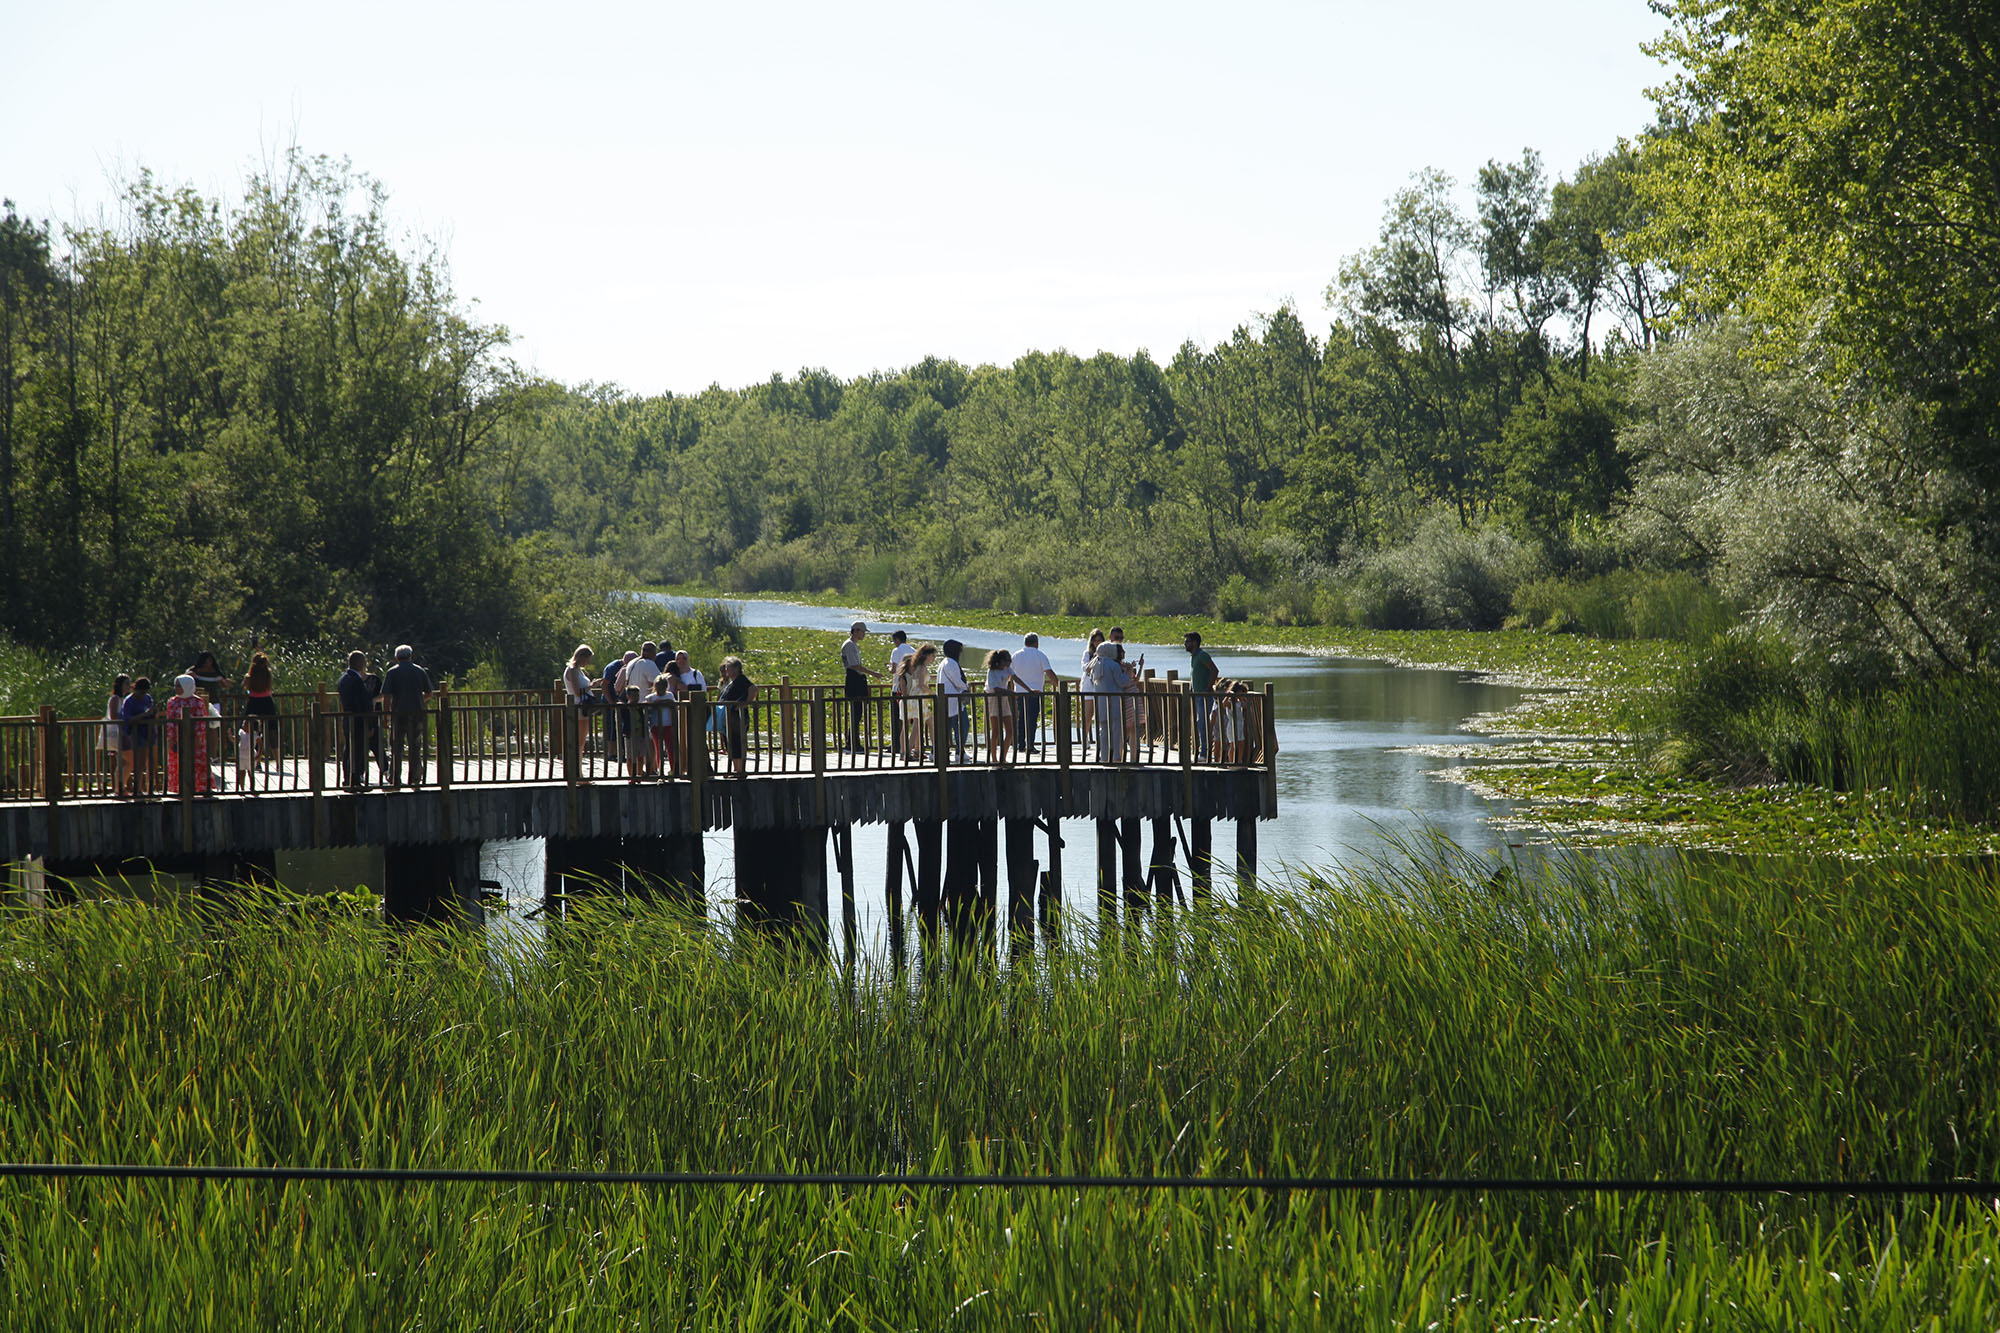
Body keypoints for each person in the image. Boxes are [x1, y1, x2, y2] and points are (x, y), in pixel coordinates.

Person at [381, 645, 432, 788]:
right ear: (411, 656)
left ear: (396, 657)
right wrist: (420, 700)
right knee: (415, 746)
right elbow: (429, 693)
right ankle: (415, 778)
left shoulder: (392, 673)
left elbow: (386, 696)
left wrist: (386, 717)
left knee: (396, 747)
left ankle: (395, 778)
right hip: (417, 714)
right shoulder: (419, 671)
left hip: (398, 714)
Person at [162, 675, 213, 795]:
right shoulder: (172, 701)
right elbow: (170, 721)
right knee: (178, 764)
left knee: (197, 765)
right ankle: (179, 789)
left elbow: (201, 721)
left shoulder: (197, 702)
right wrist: (171, 739)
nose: (176, 688)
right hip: (177, 740)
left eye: (179, 685)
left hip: (194, 740)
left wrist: (197, 738)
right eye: (176, 685)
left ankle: (201, 789)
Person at [840, 621, 885, 754]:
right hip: (853, 679)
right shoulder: (849, 645)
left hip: (856, 679)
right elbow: (855, 666)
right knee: (855, 713)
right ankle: (852, 745)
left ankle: (853, 743)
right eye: (862, 632)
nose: (864, 634)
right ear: (856, 631)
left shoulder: (853, 645)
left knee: (857, 713)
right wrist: (874, 673)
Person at [1009, 634, 1055, 755]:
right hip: (1035, 692)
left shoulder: (1016, 655)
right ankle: (1030, 745)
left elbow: (1010, 674)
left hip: (1019, 692)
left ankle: (1020, 745)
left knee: (1021, 719)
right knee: (1032, 719)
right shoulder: (1040, 655)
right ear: (1036, 643)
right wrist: (1059, 685)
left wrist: (1011, 689)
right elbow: (1049, 672)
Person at [1086, 642, 1129, 762]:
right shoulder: (1113, 665)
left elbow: (1090, 681)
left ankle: (1104, 757)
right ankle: (1116, 757)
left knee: (1103, 730)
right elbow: (1123, 682)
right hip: (1115, 702)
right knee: (1116, 729)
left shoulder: (1095, 665)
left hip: (1100, 702)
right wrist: (1128, 672)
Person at [336, 650, 373, 790]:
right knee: (357, 750)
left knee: (348, 750)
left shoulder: (343, 678)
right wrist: (370, 723)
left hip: (348, 719)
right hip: (358, 720)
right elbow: (363, 703)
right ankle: (355, 780)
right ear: (361, 663)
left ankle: (348, 779)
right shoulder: (357, 680)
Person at [894, 643, 936, 761]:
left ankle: (930, 749)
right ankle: (908, 752)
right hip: (919, 698)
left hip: (916, 697)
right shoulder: (922, 667)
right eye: (933, 655)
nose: (934, 658)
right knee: (917, 726)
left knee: (929, 723)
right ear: (927, 655)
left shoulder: (919, 666)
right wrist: (933, 693)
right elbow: (921, 684)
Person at [563, 645, 601, 769]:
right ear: (581, 657)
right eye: (587, 659)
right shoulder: (572, 670)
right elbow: (577, 691)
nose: (588, 662)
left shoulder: (578, 670)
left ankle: (578, 772)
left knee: (581, 742)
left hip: (581, 707)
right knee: (578, 742)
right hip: (578, 707)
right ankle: (576, 773)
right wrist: (592, 686)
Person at [241, 650, 278, 777]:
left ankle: (256, 761)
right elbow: (270, 687)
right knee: (272, 730)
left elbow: (244, 687)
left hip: (253, 702)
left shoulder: (249, 676)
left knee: (252, 731)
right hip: (267, 701)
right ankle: (278, 762)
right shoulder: (268, 673)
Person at [717, 655, 756, 775]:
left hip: (737, 717)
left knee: (737, 742)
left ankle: (740, 769)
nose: (726, 670)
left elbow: (753, 688)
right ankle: (735, 768)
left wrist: (746, 703)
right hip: (729, 716)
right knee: (731, 742)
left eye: (728, 668)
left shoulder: (742, 680)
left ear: (736, 669)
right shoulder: (730, 682)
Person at [1184, 631, 1219, 761]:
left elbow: (1214, 670)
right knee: (1201, 724)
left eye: (1187, 641)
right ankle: (1204, 752)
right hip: (1198, 696)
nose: (1185, 644)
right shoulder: (1194, 656)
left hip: (1205, 697)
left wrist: (1208, 688)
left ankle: (1205, 754)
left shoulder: (1202, 655)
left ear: (1195, 642)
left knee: (1204, 724)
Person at [120, 677, 156, 796]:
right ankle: (138, 789)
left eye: (145, 692)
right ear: (136, 689)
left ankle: (150, 788)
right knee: (139, 763)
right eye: (141, 692)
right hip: (136, 733)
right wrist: (143, 715)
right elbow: (127, 719)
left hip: (149, 732)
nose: (143, 695)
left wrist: (152, 714)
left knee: (151, 762)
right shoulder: (129, 701)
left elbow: (151, 713)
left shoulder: (148, 698)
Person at [982, 649, 1018, 763]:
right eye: (1007, 661)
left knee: (1010, 730)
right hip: (993, 699)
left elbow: (1016, 679)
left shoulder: (1007, 669)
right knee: (996, 731)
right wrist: (1010, 693)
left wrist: (1029, 689)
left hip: (1004, 698)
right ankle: (994, 758)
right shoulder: (991, 671)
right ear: (1001, 661)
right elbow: (995, 689)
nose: (1009, 663)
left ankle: (1003, 757)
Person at [646, 670, 681, 777]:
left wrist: (661, 703)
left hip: (668, 724)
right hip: (655, 726)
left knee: (670, 748)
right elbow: (648, 707)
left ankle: (673, 769)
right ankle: (659, 769)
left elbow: (673, 704)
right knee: (658, 748)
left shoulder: (670, 695)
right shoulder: (651, 697)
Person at [102, 673, 130, 794]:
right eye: (127, 684)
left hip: (124, 732)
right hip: (117, 732)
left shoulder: (125, 699)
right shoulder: (115, 699)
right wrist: (128, 717)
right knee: (128, 761)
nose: (129, 686)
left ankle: (120, 787)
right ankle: (119, 787)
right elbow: (113, 716)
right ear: (120, 685)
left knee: (124, 762)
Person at [887, 630, 914, 755]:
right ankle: (913, 744)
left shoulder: (896, 651)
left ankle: (897, 745)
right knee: (912, 718)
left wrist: (888, 668)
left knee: (897, 717)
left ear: (897, 639)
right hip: (912, 689)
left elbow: (893, 670)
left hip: (898, 688)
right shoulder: (913, 650)